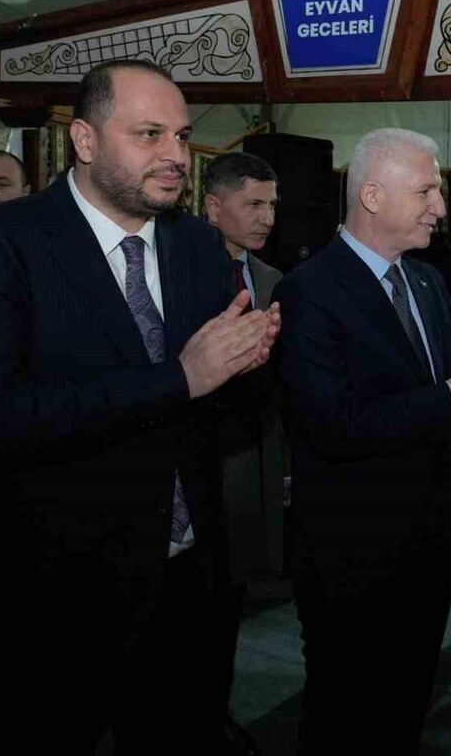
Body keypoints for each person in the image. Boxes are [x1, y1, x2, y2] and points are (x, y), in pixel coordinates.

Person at [0, 59, 280, 754]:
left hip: (190, 580)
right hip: (53, 593)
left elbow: (218, 404)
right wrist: (181, 377)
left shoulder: (195, 244)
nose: (176, 156)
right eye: (149, 134)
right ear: (84, 141)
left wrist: (250, 362)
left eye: (181, 136)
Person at [272, 127, 451, 754]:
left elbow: (448, 383)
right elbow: (330, 426)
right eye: (427, 191)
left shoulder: (427, 282)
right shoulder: (308, 291)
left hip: (430, 537)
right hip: (353, 548)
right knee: (345, 711)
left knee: (406, 700)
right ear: (372, 196)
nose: (440, 207)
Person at [201, 150, 286, 755]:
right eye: (253, 204)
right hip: (193, 469)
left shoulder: (274, 280)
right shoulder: (172, 268)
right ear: (213, 207)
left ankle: (215, 714)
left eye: (272, 205)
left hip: (250, 465)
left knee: (228, 606)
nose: (267, 218)